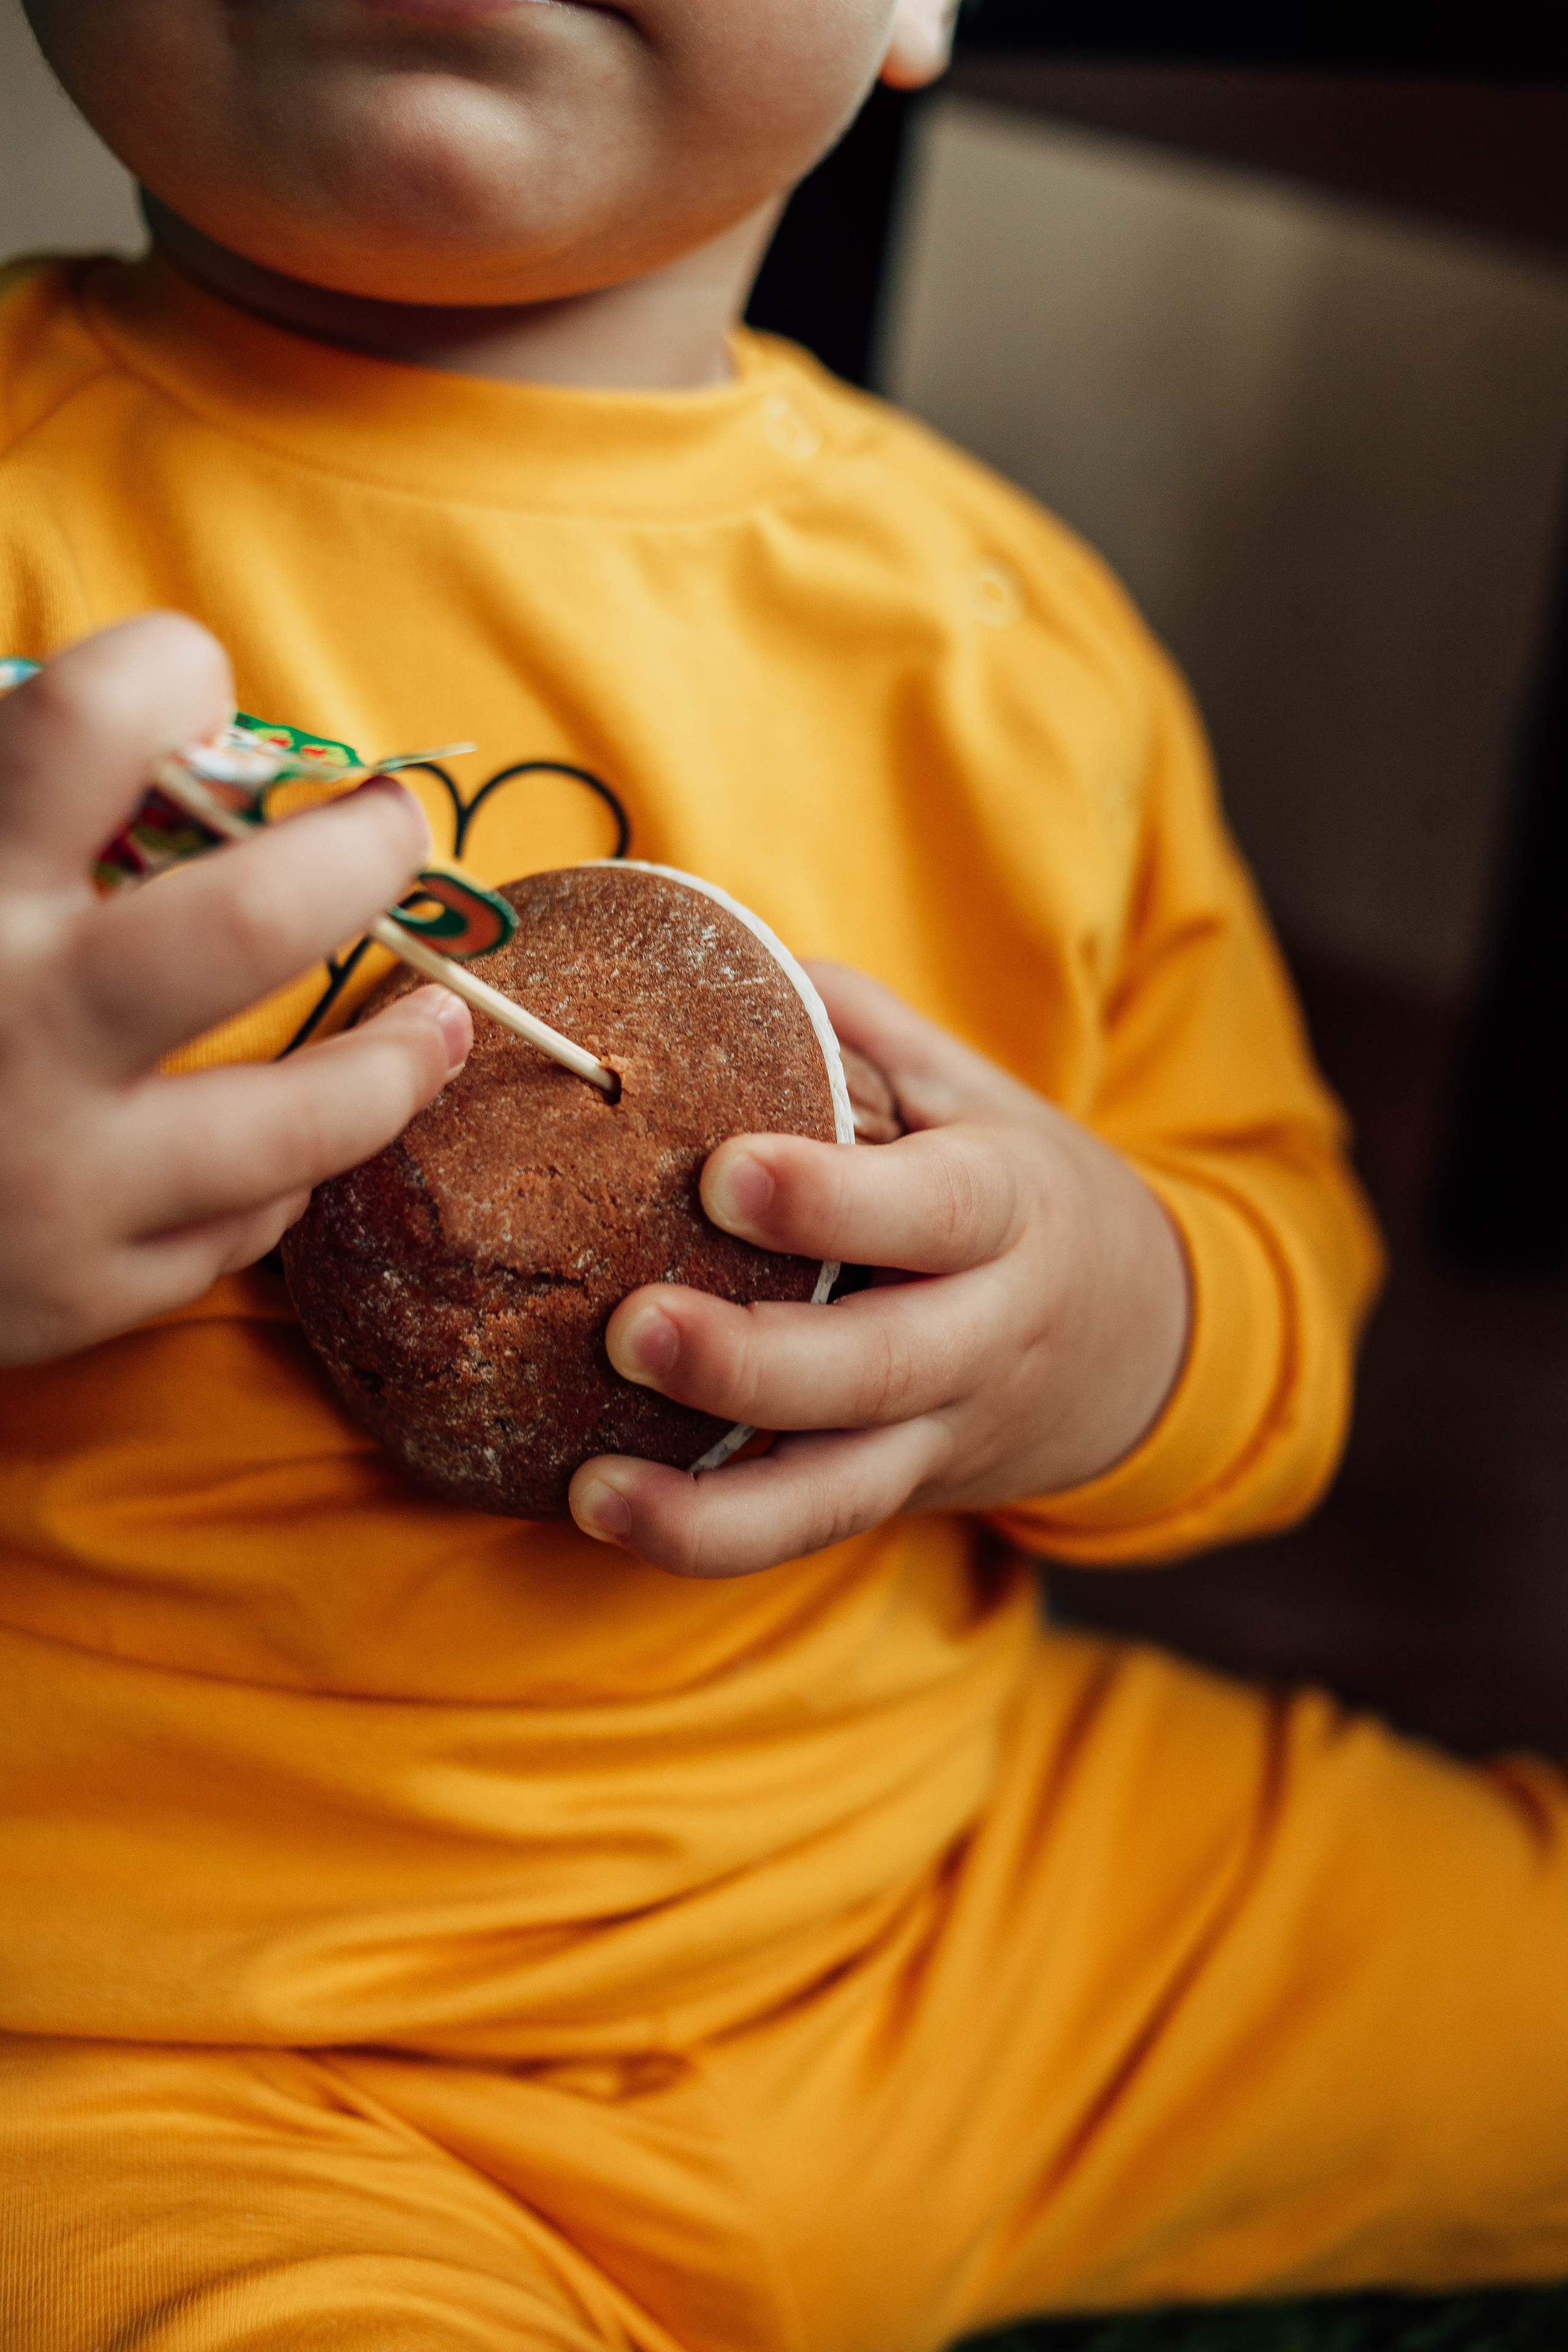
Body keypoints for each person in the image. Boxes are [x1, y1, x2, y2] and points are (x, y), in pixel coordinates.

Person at [0, 3, 1562, 2346]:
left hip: (978, 1919)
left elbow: (1270, 1273)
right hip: (161, 2053)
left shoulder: (1023, 644)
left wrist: (1099, 1329)